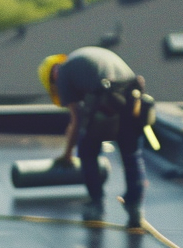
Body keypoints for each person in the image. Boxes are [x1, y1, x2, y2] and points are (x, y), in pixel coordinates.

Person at [39, 47, 149, 228]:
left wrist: (67, 155)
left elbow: (76, 121)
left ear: (52, 77)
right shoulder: (79, 60)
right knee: (131, 154)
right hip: (133, 96)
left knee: (87, 151)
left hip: (106, 99)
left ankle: (96, 204)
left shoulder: (64, 73)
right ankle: (135, 207)